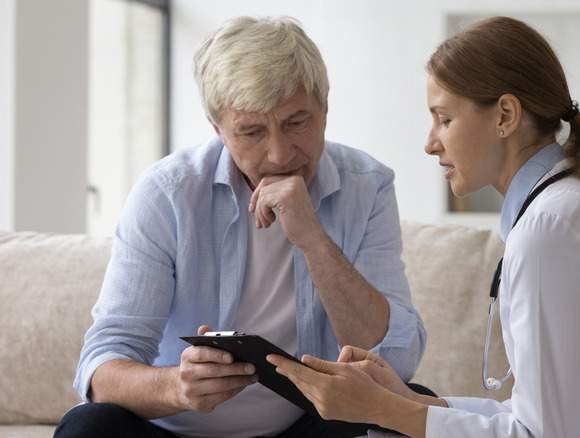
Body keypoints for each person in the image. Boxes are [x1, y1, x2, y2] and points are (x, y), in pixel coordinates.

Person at [268, 16, 580, 437]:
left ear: (505, 115)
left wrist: (385, 411)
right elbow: (538, 418)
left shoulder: (553, 227)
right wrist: (410, 402)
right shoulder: (570, 209)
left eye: (444, 118)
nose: (430, 143)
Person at [54, 16, 425, 438]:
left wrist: (314, 241)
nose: (281, 154)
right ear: (218, 131)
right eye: (251, 131)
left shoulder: (368, 185)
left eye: (297, 122)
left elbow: (395, 362)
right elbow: (102, 367)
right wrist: (179, 386)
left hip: (304, 428)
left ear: (325, 107)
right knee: (89, 427)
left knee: (406, 410)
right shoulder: (166, 193)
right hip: (172, 432)